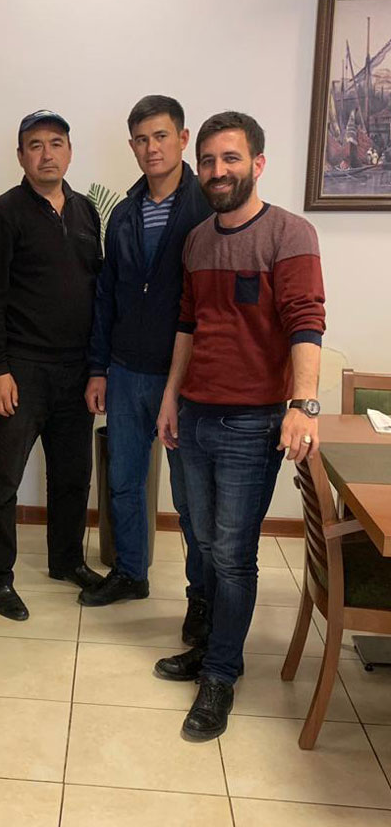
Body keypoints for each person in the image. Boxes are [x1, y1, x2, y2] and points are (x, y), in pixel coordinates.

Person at [155, 111, 326, 740]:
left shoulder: (290, 234)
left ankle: (221, 675)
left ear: (257, 164)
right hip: (194, 413)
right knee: (201, 542)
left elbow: (306, 321)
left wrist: (303, 404)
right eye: (207, 160)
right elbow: (187, 324)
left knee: (232, 555)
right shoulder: (198, 240)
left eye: (230, 158)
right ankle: (208, 647)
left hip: (252, 425)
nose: (217, 171)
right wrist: (170, 399)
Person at [82, 95, 211, 647]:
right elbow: (107, 294)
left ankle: (200, 599)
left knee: (189, 499)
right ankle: (130, 572)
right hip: (126, 370)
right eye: (141, 139)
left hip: (186, 377)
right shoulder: (125, 211)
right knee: (124, 482)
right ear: (132, 146)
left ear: (183, 139)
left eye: (161, 136)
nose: (151, 148)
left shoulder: (208, 205)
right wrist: (98, 368)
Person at [0, 110, 104, 621]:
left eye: (55, 143)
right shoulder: (3, 214)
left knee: (72, 475)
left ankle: (66, 560)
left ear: (69, 151)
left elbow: (95, 289)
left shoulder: (86, 212)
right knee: (2, 478)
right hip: (21, 369)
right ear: (21, 155)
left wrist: (97, 367)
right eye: (35, 145)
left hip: (76, 371)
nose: (46, 154)